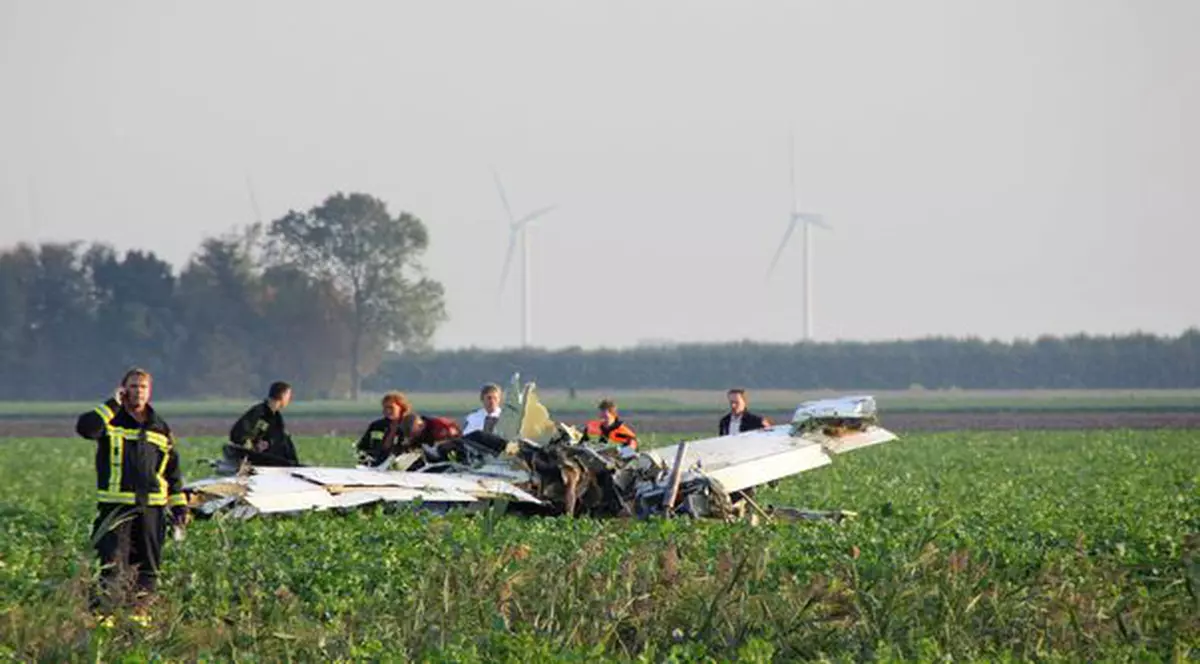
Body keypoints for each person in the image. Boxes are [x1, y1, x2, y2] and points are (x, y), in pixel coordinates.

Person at [75, 367, 188, 624]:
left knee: (147, 567)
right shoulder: (109, 420)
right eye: (134, 386)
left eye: (143, 387)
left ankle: (137, 619)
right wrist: (111, 404)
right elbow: (85, 428)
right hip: (116, 509)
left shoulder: (159, 427)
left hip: (152, 510)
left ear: (150, 392)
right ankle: (106, 620)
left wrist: (180, 508)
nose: (138, 391)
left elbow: (172, 472)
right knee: (113, 566)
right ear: (124, 389)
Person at [229, 381, 299, 465]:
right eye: (289, 395)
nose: (289, 399)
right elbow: (237, 434)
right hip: (257, 460)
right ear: (283, 396)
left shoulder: (275, 416)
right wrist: (252, 447)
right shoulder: (259, 413)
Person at [356, 391, 411, 466]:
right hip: (375, 467)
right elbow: (362, 448)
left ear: (401, 408)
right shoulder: (376, 426)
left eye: (391, 408)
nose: (387, 411)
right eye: (385, 407)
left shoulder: (409, 427)